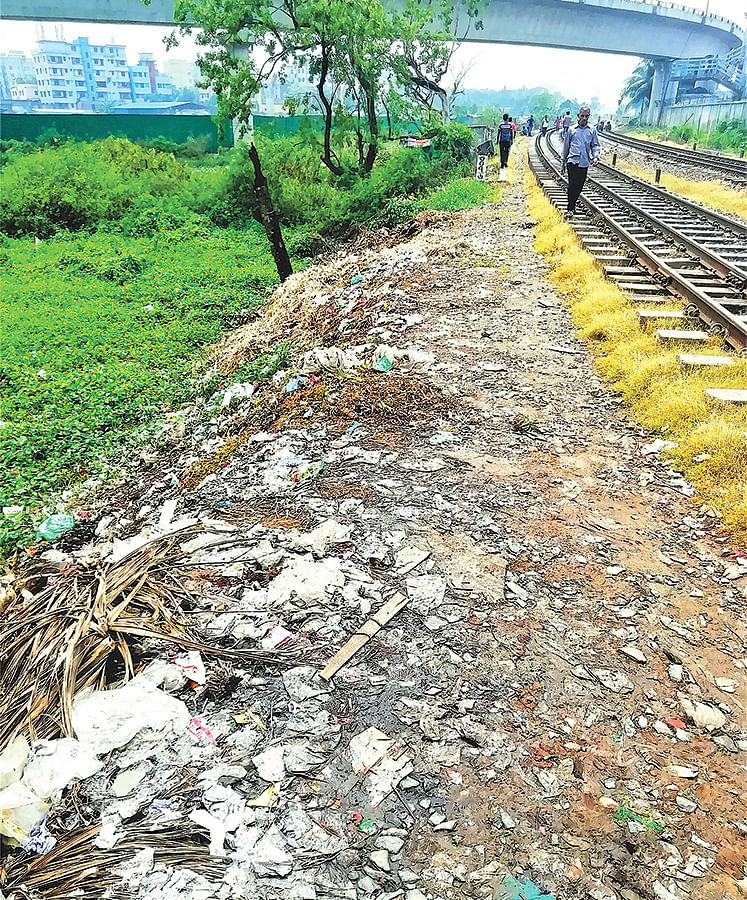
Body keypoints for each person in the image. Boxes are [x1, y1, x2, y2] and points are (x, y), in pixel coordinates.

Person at [560, 106, 600, 217]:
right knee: (572, 184)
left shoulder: (592, 130)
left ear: (589, 117)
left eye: (586, 116)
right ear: (578, 116)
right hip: (572, 161)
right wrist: (562, 163)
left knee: (580, 186)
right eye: (582, 116)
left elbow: (595, 145)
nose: (584, 118)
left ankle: (572, 203)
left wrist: (596, 157)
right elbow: (566, 147)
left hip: (584, 162)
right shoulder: (572, 130)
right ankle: (570, 207)